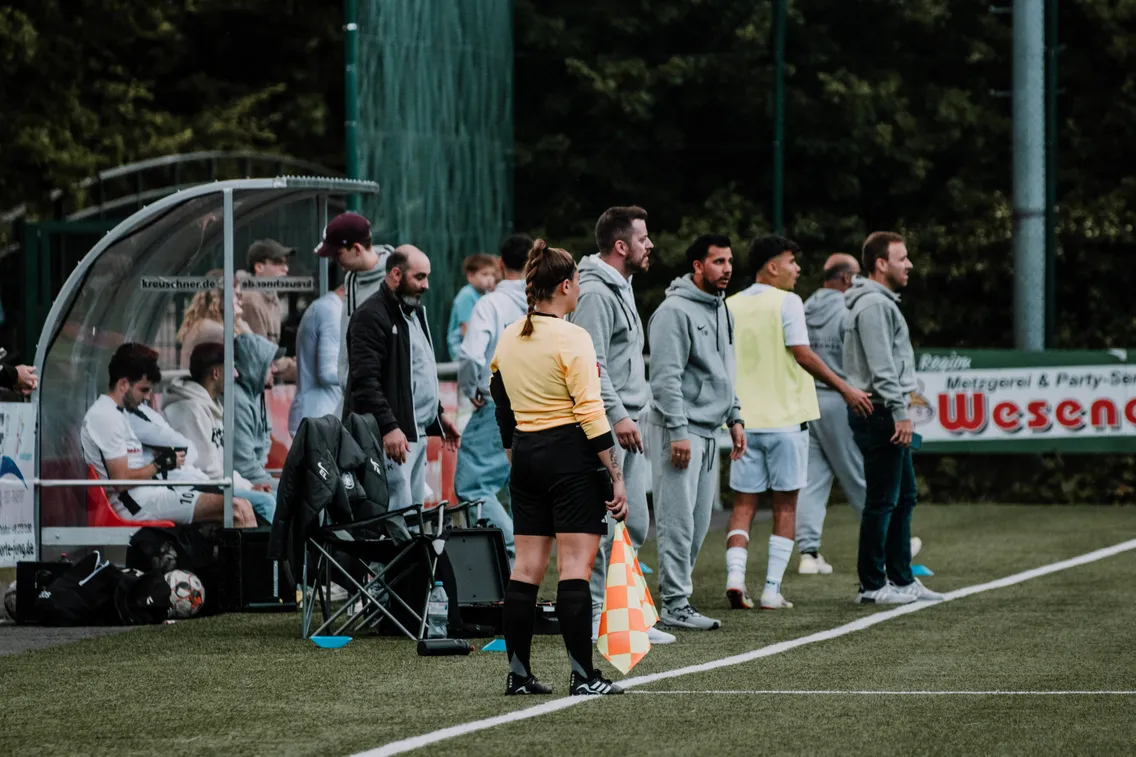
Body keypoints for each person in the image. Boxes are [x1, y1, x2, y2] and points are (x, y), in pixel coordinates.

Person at [490, 239, 628, 697]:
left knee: (526, 568)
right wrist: (616, 476)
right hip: (570, 455)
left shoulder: (510, 335)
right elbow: (591, 411)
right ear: (566, 285)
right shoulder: (574, 337)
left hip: (526, 454)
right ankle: (583, 677)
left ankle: (518, 675)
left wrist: (515, 454)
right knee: (575, 568)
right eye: (578, 282)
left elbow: (501, 400)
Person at [723, 236, 873, 611]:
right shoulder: (788, 301)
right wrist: (845, 388)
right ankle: (771, 591)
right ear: (772, 266)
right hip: (786, 420)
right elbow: (802, 353)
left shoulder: (730, 304)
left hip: (743, 423)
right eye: (791, 261)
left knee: (743, 506)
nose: (798, 269)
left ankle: (735, 578)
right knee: (785, 507)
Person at [567, 206, 675, 646]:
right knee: (607, 522)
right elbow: (591, 364)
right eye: (643, 239)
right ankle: (598, 616)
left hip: (632, 419)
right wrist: (618, 415)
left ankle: (627, 613)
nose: (650, 246)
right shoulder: (594, 292)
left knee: (636, 525)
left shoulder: (622, 285)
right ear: (620, 245)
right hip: (610, 423)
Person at [645, 234, 747, 631]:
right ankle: (674, 604)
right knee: (676, 521)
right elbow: (665, 378)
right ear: (697, 266)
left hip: (708, 430)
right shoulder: (673, 311)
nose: (727, 269)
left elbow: (726, 369)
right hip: (680, 429)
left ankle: (676, 600)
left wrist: (735, 417)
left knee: (699, 523)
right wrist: (678, 430)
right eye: (718, 262)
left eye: (729, 261)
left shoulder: (722, 308)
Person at [844, 231, 943, 604]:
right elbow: (882, 366)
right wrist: (901, 413)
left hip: (887, 409)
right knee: (883, 500)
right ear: (881, 263)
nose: (909, 265)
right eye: (902, 258)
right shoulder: (873, 305)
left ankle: (901, 579)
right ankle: (872, 586)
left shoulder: (880, 302)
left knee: (903, 497)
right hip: (881, 411)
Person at [80, 343, 255, 526]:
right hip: (136, 505)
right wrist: (160, 464)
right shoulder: (105, 416)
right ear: (123, 384)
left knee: (241, 504)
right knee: (234, 508)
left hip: (153, 492)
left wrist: (162, 464)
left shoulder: (119, 412)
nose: (147, 397)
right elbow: (121, 481)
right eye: (144, 390)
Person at [346, 247, 460, 510]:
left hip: (414, 432)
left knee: (413, 511)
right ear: (396, 274)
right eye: (419, 277)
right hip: (393, 436)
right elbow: (365, 381)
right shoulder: (371, 315)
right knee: (396, 512)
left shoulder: (413, 312)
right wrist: (388, 427)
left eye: (427, 277)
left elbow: (417, 371)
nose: (426, 285)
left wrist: (437, 414)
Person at [455, 234, 533, 558]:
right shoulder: (544, 304)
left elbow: (471, 354)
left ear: (500, 264)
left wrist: (470, 388)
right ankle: (526, 562)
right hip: (537, 407)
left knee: (473, 487)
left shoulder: (490, 304)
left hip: (498, 405)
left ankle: (510, 549)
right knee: (523, 490)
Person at [164, 341, 278, 523]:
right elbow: (208, 469)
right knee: (266, 503)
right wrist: (248, 488)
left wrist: (249, 486)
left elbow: (222, 466)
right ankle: (267, 544)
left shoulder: (213, 406)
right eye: (231, 368)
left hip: (217, 484)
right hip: (198, 488)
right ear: (216, 374)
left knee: (275, 495)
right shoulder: (190, 410)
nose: (236, 374)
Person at [312, 211, 394, 412]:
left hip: (383, 402)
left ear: (357, 248)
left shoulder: (395, 283)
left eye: (338, 254)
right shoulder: (352, 278)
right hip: (355, 396)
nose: (335, 260)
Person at [289, 285, 345, 435]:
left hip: (319, 415)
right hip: (319, 417)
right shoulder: (331, 311)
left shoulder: (330, 308)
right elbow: (327, 373)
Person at [242, 239, 297, 382]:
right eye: (278, 263)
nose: (286, 269)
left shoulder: (272, 296)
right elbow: (260, 356)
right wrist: (293, 365)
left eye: (285, 263)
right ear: (259, 267)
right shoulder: (250, 299)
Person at [232, 332, 281, 490]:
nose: (275, 369)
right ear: (254, 366)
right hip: (245, 482)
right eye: (269, 364)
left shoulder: (254, 395)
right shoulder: (238, 401)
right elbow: (245, 469)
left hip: (255, 477)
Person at [177, 271, 251, 369]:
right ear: (224, 297)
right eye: (237, 296)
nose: (240, 302)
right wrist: (238, 320)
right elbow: (253, 353)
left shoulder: (205, 323)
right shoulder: (212, 328)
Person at [447, 253, 499, 360]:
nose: (490, 279)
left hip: (480, 348)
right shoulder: (466, 295)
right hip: (463, 350)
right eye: (485, 274)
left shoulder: (487, 295)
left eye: (492, 275)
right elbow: (466, 329)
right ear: (470, 276)